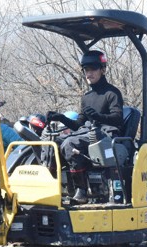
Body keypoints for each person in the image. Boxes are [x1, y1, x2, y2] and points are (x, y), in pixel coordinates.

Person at [46, 50, 123, 204]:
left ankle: (81, 192)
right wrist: (60, 117)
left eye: (93, 69)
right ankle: (55, 188)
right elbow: (77, 125)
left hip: (106, 135)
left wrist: (97, 116)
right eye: (86, 70)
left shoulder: (112, 93)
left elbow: (117, 119)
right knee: (54, 144)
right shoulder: (86, 97)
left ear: (102, 69)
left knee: (70, 143)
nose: (89, 73)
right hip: (89, 133)